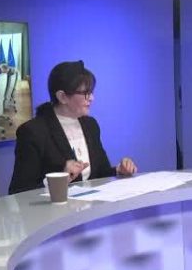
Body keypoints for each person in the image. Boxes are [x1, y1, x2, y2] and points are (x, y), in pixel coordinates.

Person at [9, 60, 137, 194]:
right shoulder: (33, 132)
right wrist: (59, 179)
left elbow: (100, 173)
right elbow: (19, 191)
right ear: (62, 97)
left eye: (91, 92)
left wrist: (119, 170)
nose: (92, 98)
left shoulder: (91, 125)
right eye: (86, 93)